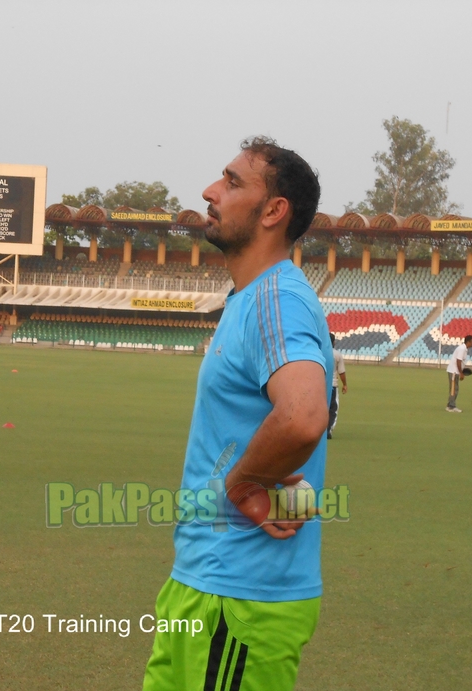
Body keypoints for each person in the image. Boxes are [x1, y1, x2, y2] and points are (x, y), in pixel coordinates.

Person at [142, 137, 332, 691]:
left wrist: (244, 484)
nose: (210, 191)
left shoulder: (278, 299)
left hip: (240, 601)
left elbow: (302, 416)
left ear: (274, 211)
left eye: (232, 181)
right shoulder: (250, 300)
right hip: (204, 584)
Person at [446, 334, 472, 413]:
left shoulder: (464, 349)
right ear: (468, 342)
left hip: (455, 371)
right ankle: (451, 406)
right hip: (454, 371)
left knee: (455, 389)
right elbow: (458, 361)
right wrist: (461, 373)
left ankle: (450, 405)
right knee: (454, 389)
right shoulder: (462, 349)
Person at [327, 333, 348, 439]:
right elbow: (341, 372)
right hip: (333, 385)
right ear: (334, 342)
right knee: (333, 408)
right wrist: (345, 384)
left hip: (320, 385)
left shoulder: (320, 352)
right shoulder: (337, 354)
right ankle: (328, 429)